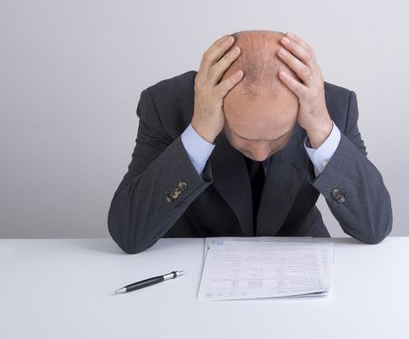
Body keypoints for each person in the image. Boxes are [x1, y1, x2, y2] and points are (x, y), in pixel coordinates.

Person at [108, 30, 393, 254]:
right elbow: (128, 233)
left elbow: (375, 226)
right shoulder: (167, 104)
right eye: (244, 137)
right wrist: (200, 132)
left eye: (276, 137)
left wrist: (320, 127)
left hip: (298, 264)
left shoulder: (331, 106)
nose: (259, 153)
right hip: (191, 266)